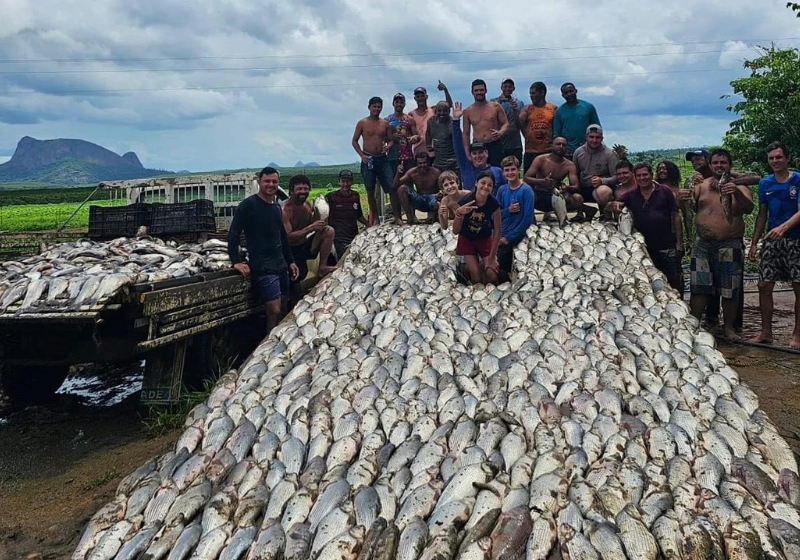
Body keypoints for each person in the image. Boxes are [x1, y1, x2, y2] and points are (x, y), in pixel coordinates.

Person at [679, 148, 754, 340]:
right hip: (703, 244)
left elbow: (748, 208)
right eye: (716, 163)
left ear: (730, 165)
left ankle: (729, 328)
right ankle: (695, 324)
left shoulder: (740, 185)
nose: (719, 166)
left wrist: (736, 192)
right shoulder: (701, 185)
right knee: (699, 287)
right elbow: (688, 206)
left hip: (729, 242)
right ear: (710, 165)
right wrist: (682, 197)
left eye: (723, 163)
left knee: (730, 288)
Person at [228, 166, 299, 334]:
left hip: (280, 265)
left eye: (274, 181)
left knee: (283, 306)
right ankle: (267, 349)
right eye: (267, 181)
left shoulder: (276, 208)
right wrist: (235, 261)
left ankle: (279, 341)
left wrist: (291, 261)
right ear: (259, 182)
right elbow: (233, 233)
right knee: (273, 310)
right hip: (263, 267)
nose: (271, 184)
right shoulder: (248, 205)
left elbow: (282, 237)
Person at [748, 141, 800, 349]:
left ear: (787, 158)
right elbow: (762, 214)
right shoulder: (765, 184)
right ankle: (766, 332)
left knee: (798, 286)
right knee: (764, 285)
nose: (775, 161)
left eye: (779, 157)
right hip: (771, 240)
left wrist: (784, 228)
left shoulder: (797, 180)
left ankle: (797, 333)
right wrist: (754, 242)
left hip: (796, 239)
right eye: (771, 158)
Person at [608, 163, 684, 294]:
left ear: (651, 175)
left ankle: (680, 304)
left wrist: (679, 242)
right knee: (651, 279)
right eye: (639, 176)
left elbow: (676, 216)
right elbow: (611, 206)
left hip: (667, 244)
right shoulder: (630, 195)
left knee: (674, 278)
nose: (642, 178)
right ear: (635, 177)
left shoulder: (665, 191)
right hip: (644, 247)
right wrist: (613, 204)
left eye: (645, 175)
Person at [281, 175, 336, 306]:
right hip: (289, 251)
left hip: (304, 246)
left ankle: (322, 267)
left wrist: (319, 215)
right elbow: (288, 236)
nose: (303, 192)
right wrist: (311, 227)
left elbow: (312, 222)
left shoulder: (307, 205)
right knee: (294, 284)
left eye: (305, 189)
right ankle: (289, 309)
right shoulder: (285, 210)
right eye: (299, 189)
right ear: (291, 190)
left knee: (329, 231)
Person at [351, 96, 402, 225]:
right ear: (369, 107)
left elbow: (391, 140)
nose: (376, 109)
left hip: (382, 159)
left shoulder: (384, 123)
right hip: (368, 159)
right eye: (374, 106)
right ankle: (376, 219)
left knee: (391, 187)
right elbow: (354, 141)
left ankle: (397, 217)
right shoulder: (362, 123)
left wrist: (388, 147)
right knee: (370, 189)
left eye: (378, 107)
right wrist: (362, 155)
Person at [453, 171, 502, 285]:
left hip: (485, 239)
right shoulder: (466, 201)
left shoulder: (494, 204)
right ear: (476, 183)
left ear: (492, 188)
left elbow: (498, 230)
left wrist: (492, 258)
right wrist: (459, 213)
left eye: (489, 185)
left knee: (492, 274)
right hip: (467, 239)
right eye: (483, 183)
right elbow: (455, 231)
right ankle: (469, 270)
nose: (485, 187)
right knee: (475, 277)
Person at [525, 137, 584, 220]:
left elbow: (576, 186)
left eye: (563, 145)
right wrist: (541, 181)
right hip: (540, 195)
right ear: (551, 146)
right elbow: (526, 178)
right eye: (558, 144)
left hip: (557, 196)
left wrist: (567, 187)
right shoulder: (540, 159)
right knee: (528, 193)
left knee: (577, 198)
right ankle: (530, 218)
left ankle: (569, 217)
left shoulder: (569, 165)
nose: (561, 146)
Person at [452, 101, 506, 191]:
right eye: (474, 153)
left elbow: (506, 192)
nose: (478, 156)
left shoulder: (498, 171)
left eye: (481, 152)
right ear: (470, 155)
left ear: (487, 153)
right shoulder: (466, 167)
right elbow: (458, 145)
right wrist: (456, 121)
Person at [495, 157, 534, 275]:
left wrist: (508, 238)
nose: (510, 173)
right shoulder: (502, 190)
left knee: (502, 268)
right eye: (507, 170)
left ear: (518, 170)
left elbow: (528, 220)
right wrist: (509, 210)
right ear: (503, 173)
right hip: (501, 232)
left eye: (513, 169)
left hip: (516, 234)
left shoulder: (527, 190)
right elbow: (495, 215)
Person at [573, 124, 619, 218]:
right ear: (586, 137)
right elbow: (575, 174)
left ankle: (605, 212)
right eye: (591, 137)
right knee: (568, 196)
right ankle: (582, 212)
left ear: (602, 138)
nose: (594, 140)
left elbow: (617, 177)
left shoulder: (609, 154)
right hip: (583, 187)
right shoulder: (578, 152)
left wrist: (602, 181)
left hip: (602, 188)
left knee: (603, 192)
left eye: (597, 137)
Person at [462, 79, 509, 167]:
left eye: (481, 90)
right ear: (472, 92)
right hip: (478, 146)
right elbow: (466, 133)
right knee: (480, 174)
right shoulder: (468, 111)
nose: (479, 92)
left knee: (497, 171)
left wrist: (500, 132)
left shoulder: (495, 106)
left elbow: (506, 123)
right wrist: (467, 152)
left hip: (494, 144)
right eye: (476, 90)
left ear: (486, 90)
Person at [518, 81, 557, 175]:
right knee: (529, 178)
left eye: (533, 93)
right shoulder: (527, 108)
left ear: (542, 93)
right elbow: (519, 123)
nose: (531, 96)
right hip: (531, 151)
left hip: (547, 151)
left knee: (547, 179)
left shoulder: (553, 108)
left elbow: (557, 128)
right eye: (530, 93)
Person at [326, 169, 367, 258]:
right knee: (345, 260)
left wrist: (369, 225)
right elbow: (323, 216)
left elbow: (359, 215)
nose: (345, 184)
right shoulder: (331, 197)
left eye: (348, 181)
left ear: (351, 182)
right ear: (339, 182)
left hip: (353, 236)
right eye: (343, 181)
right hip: (338, 239)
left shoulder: (355, 195)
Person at [553, 83, 601, 157]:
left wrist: (589, 143)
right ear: (562, 95)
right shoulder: (559, 111)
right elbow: (557, 134)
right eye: (566, 93)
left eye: (571, 91)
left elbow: (597, 128)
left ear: (576, 91)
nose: (569, 94)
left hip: (586, 150)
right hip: (567, 152)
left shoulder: (588, 107)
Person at [395, 151, 442, 224]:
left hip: (433, 198)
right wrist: (398, 173)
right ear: (416, 163)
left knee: (440, 200)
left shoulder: (436, 172)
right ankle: (410, 219)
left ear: (428, 162)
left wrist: (440, 194)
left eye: (425, 162)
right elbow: (395, 184)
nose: (422, 165)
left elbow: (444, 187)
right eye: (420, 163)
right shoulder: (412, 172)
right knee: (402, 189)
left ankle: (435, 217)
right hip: (419, 198)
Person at [491, 78, 526, 164]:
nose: (507, 89)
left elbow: (520, 125)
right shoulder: (493, 102)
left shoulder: (519, 103)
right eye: (505, 86)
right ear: (501, 88)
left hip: (515, 144)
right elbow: (490, 119)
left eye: (510, 87)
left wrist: (515, 110)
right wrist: (499, 102)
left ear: (513, 89)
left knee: (515, 169)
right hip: (498, 144)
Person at [385, 93, 418, 176]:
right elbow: (382, 138)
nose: (399, 104)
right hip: (392, 156)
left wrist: (413, 138)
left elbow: (417, 136)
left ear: (404, 104)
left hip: (407, 156)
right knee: (393, 182)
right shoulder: (387, 120)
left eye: (401, 102)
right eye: (397, 102)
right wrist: (391, 137)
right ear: (393, 103)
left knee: (408, 181)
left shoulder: (409, 119)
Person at [426, 101, 458, 173]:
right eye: (439, 111)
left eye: (445, 111)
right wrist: (428, 144)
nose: (442, 113)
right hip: (438, 162)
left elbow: (459, 141)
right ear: (435, 111)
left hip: (452, 162)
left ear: (449, 111)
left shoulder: (452, 124)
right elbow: (428, 132)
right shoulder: (431, 121)